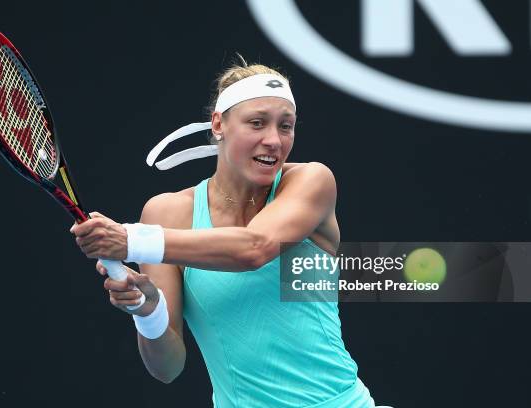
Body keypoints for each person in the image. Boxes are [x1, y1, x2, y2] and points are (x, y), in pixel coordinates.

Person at [70, 59, 389, 407]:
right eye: (257, 123)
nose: (274, 140)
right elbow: (168, 367)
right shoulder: (167, 213)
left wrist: (132, 240)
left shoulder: (311, 181)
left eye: (286, 126)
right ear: (219, 123)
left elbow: (253, 248)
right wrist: (149, 311)